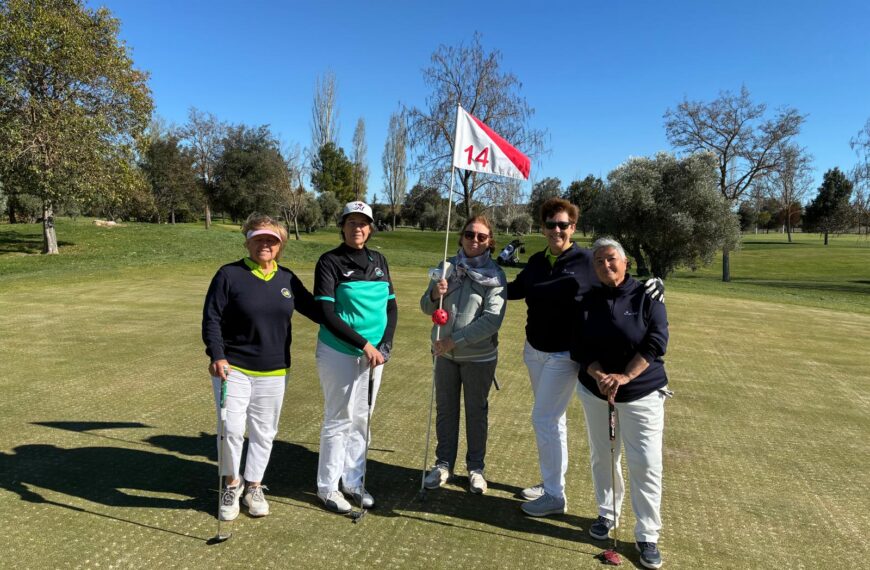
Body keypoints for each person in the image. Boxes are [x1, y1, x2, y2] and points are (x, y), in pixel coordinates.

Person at [507, 198, 663, 518]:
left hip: (566, 354)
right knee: (553, 420)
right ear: (543, 228)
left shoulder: (587, 260)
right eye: (550, 225)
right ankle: (551, 481)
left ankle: (554, 495)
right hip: (534, 351)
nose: (556, 230)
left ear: (573, 227)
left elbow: (617, 277)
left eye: (563, 225)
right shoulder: (537, 261)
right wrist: (476, 276)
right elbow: (514, 290)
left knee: (544, 418)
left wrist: (655, 283)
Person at [202, 214, 320, 521]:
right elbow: (212, 318)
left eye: (271, 240)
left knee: (264, 432)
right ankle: (232, 483)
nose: (265, 245)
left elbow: (316, 310)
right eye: (258, 239)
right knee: (231, 429)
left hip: (275, 370)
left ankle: (254, 485)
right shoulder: (229, 274)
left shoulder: (287, 279)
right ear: (248, 242)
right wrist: (217, 355)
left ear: (280, 245)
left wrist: (354, 320)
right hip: (233, 367)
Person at [572, 237, 670, 570]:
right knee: (603, 456)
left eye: (611, 258)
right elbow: (579, 347)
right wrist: (601, 375)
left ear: (625, 262)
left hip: (642, 392)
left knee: (646, 463)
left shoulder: (648, 296)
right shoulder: (586, 300)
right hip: (596, 391)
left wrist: (625, 377)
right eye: (598, 261)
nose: (605, 265)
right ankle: (607, 512)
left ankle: (647, 534)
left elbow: (656, 341)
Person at [313, 201, 397, 514]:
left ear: (370, 228)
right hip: (339, 351)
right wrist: (365, 345)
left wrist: (385, 344)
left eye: (363, 223)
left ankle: (353, 481)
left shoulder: (379, 260)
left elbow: (391, 307)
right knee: (339, 418)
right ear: (343, 226)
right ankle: (328, 487)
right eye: (351, 222)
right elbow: (326, 313)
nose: (357, 228)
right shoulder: (330, 261)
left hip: (373, 356)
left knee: (362, 419)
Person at [420, 216, 507, 494]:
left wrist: (453, 341)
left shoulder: (495, 275)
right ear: (461, 237)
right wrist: (435, 294)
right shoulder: (446, 267)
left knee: (475, 413)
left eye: (481, 237)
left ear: (489, 242)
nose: (474, 240)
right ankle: (443, 464)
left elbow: (492, 320)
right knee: (445, 410)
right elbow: (426, 306)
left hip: (478, 357)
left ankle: (475, 468)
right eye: (470, 234)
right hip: (444, 356)